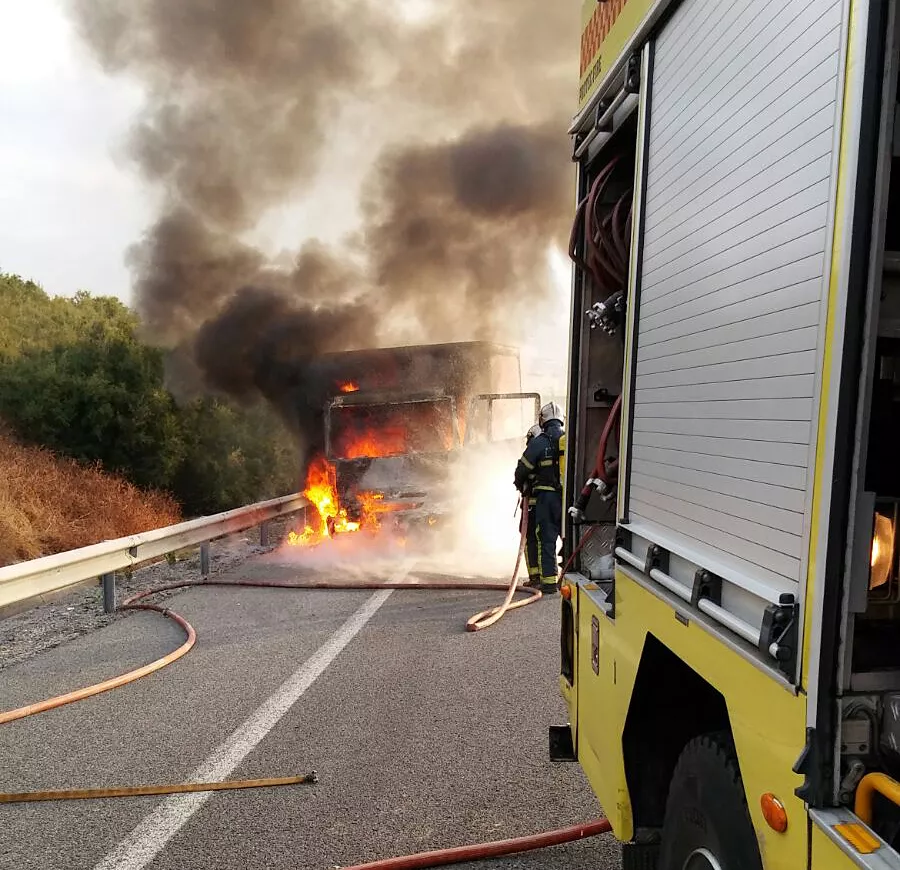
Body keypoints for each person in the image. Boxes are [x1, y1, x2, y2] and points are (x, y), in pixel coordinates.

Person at [514, 403, 565, 595]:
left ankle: (549, 583)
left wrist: (521, 486)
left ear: (542, 420)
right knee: (568, 537)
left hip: (546, 497)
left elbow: (521, 470)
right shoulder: (569, 439)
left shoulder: (539, 442)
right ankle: (567, 575)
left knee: (546, 538)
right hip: (568, 498)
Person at [522, 424, 543, 587]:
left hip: (533, 504)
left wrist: (520, 485)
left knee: (531, 539)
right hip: (552, 503)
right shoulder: (552, 447)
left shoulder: (534, 450)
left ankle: (535, 577)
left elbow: (521, 471)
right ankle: (549, 576)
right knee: (546, 539)